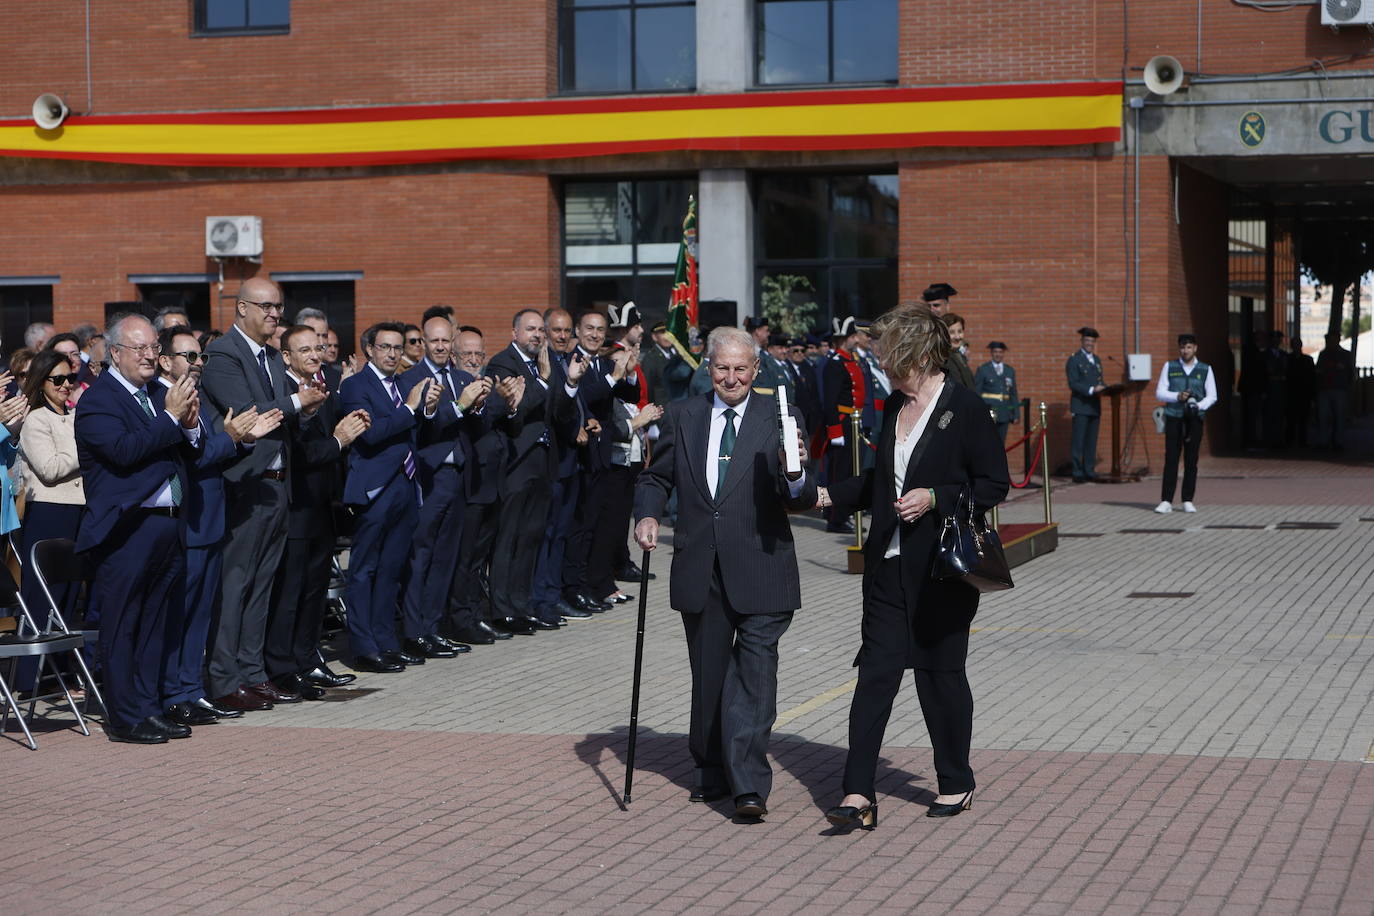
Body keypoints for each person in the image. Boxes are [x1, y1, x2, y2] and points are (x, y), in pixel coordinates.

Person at [821, 304, 1009, 829]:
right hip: (887, 568)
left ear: (920, 354)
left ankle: (955, 780)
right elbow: (878, 483)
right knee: (874, 678)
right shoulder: (890, 408)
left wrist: (936, 496)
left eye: (889, 354)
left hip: (941, 573)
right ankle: (858, 793)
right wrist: (823, 496)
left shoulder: (964, 408)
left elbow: (994, 483)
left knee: (939, 679)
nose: (880, 362)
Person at [633, 326, 817, 821]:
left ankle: (749, 786)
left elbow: (798, 494)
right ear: (707, 368)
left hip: (762, 566)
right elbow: (655, 475)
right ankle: (710, 768)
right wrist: (647, 514)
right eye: (721, 367)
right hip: (701, 567)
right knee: (709, 677)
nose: (731, 377)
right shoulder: (683, 414)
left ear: (756, 370)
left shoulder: (782, 416)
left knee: (755, 680)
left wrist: (793, 471)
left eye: (741, 368)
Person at [201, 278, 329, 710]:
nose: (275, 314)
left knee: (261, 587)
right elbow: (253, 413)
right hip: (244, 488)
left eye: (279, 307)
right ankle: (224, 678)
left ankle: (253, 674)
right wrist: (297, 401)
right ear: (241, 309)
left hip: (277, 487)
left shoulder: (272, 356)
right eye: (267, 306)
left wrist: (301, 405)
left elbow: (285, 413)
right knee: (235, 586)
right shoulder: (222, 354)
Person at [74, 314, 202, 744]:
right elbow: (124, 452)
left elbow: (184, 448)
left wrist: (188, 424)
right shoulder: (99, 400)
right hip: (127, 529)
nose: (151, 356)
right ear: (114, 353)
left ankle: (148, 708)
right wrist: (169, 419)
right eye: (140, 348)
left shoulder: (155, 395)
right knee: (123, 624)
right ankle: (124, 716)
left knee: (154, 624)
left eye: (154, 348)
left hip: (166, 524)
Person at [155, 326, 282, 723]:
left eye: (201, 357)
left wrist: (240, 440)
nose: (197, 364)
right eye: (189, 357)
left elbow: (214, 448)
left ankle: (192, 689)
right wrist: (233, 437)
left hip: (210, 518)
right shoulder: (163, 400)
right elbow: (194, 456)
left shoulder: (196, 396)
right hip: (185, 520)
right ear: (166, 361)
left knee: (200, 616)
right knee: (181, 615)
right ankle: (173, 692)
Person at [267, 325, 368, 694]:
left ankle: (309, 660)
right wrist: (340, 440)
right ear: (287, 356)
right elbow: (303, 453)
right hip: (295, 507)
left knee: (314, 593)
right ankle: (283, 668)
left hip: (323, 505)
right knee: (290, 593)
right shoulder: (283, 393)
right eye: (304, 349)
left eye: (318, 348)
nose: (314, 354)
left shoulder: (324, 386)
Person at [396, 313, 504, 658]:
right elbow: (421, 427)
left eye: (446, 341)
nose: (441, 346)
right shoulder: (410, 378)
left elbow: (480, 426)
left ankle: (434, 627)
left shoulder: (460, 376)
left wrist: (482, 403)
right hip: (430, 476)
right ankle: (414, 632)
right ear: (423, 343)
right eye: (434, 341)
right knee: (422, 555)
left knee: (447, 557)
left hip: (460, 475)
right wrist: (460, 406)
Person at [338, 322, 442, 671]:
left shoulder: (404, 384)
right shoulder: (355, 386)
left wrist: (426, 411)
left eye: (398, 348)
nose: (393, 354)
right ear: (369, 349)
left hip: (406, 484)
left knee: (391, 569)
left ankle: (386, 641)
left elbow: (415, 431)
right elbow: (369, 435)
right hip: (375, 487)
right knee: (364, 569)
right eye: (385, 347)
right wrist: (410, 410)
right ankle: (364, 647)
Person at [486, 309, 582, 633]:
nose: (537, 335)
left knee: (531, 537)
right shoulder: (503, 363)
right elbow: (517, 408)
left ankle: (522, 605)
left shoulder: (547, 364)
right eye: (531, 330)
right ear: (515, 333)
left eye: (540, 330)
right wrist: (542, 381)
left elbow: (558, 411)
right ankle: (502, 610)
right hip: (517, 459)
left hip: (543, 459)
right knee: (509, 536)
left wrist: (569, 384)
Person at [14, 350, 83, 691]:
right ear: (42, 383)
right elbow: (50, 468)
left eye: (70, 378)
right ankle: (27, 680)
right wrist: (84, 442)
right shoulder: (36, 419)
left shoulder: (73, 415)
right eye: (58, 379)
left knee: (68, 598)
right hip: (49, 512)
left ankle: (58, 674)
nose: (66, 385)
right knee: (42, 599)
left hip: (77, 511)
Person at [1153, 334, 1216, 514]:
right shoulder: (1170, 366)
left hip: (1194, 419)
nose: (1185, 350)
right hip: (1174, 416)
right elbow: (1160, 392)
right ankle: (1166, 500)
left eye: (1188, 347)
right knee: (1171, 458)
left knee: (1191, 459)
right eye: (1182, 347)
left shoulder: (1205, 369)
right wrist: (1176, 396)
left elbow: (1212, 395)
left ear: (1195, 348)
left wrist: (1199, 405)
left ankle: (1188, 499)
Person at [821, 315, 866, 532]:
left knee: (851, 471)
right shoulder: (835, 364)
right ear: (844, 338)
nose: (856, 339)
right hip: (842, 423)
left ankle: (845, 513)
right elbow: (829, 401)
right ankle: (835, 518)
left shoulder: (850, 360)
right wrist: (835, 431)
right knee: (840, 473)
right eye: (853, 336)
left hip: (853, 422)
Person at [1066, 327, 1105, 483]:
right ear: (1082, 341)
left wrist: (1104, 387)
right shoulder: (1074, 359)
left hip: (1094, 406)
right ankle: (1077, 471)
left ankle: (1089, 470)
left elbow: (1099, 380)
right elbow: (1073, 383)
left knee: (1091, 440)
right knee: (1079, 440)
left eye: (1092, 341)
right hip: (1081, 405)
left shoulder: (1096, 360)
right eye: (1087, 341)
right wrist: (1091, 389)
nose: (1090, 343)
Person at [1315, 333, 1354, 451]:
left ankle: (1338, 441)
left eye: (1333, 340)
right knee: (1323, 416)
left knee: (1339, 416)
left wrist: (1348, 388)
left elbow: (1350, 373)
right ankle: (1323, 441)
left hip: (1340, 389)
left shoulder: (1346, 355)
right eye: (1329, 340)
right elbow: (1318, 371)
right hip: (1325, 389)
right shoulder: (1323, 354)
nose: (1331, 342)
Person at [973, 342, 1019, 442]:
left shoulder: (1009, 370)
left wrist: (1016, 414)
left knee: (1001, 442)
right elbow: (977, 392)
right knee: (987, 441)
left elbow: (1013, 393)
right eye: (995, 352)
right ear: (991, 353)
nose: (998, 354)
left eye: (1000, 352)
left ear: (1003, 353)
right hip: (988, 411)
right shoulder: (983, 369)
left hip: (1004, 412)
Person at [1285, 338, 1315, 447]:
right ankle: (1290, 440)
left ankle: (1302, 440)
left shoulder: (1307, 360)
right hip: (1291, 393)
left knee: (1303, 419)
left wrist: (1311, 395)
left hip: (1303, 393)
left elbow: (1312, 378)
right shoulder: (1287, 359)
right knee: (1291, 419)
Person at [941, 313, 974, 388]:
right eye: (952, 332)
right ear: (943, 334)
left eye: (960, 331)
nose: (957, 337)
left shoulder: (959, 355)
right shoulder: (943, 359)